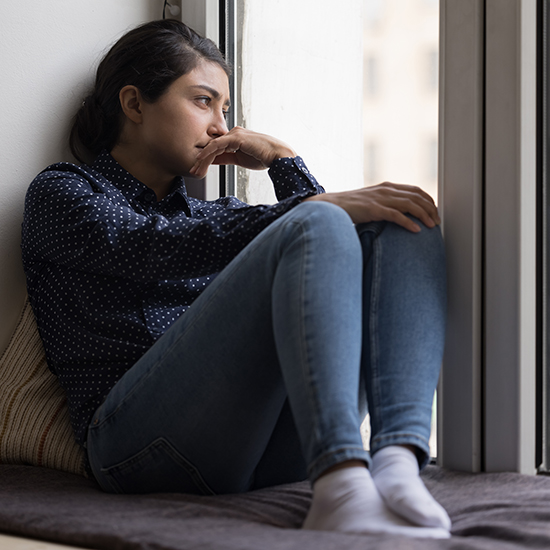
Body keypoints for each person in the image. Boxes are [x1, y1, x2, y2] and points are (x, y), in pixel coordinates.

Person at [21, 18, 451, 538]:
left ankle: (396, 461)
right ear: (134, 105)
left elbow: (325, 248)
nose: (221, 128)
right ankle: (340, 480)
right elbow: (147, 247)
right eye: (203, 101)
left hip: (253, 448)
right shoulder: (63, 194)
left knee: (400, 221)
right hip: (133, 447)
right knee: (316, 221)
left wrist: (284, 161)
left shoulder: (215, 216)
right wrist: (311, 205)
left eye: (225, 109)